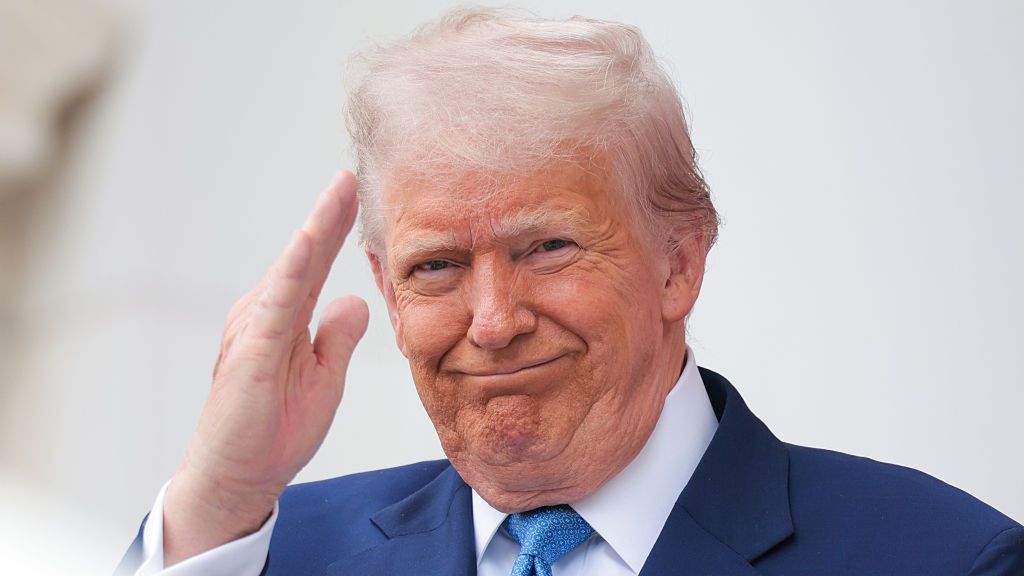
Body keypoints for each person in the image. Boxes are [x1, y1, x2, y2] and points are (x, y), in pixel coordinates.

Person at [117, 8, 1023, 576]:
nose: (493, 321)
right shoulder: (261, 551)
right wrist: (219, 497)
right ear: (387, 296)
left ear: (679, 263)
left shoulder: (941, 557)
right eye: (437, 266)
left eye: (547, 248)